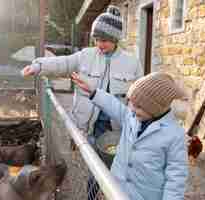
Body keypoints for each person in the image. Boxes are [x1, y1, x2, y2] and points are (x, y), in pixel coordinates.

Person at [22, 5, 143, 199]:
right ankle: (92, 195)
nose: (99, 44)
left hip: (117, 129)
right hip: (90, 126)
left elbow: (140, 94)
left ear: (115, 39)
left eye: (104, 40)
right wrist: (38, 66)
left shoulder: (132, 62)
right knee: (96, 170)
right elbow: (63, 63)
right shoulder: (86, 56)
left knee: (118, 171)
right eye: (96, 39)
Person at [72, 72, 189, 200]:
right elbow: (114, 106)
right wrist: (93, 92)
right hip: (117, 189)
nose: (132, 109)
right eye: (132, 103)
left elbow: (176, 178)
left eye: (138, 106)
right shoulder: (132, 117)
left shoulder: (174, 135)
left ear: (155, 108)